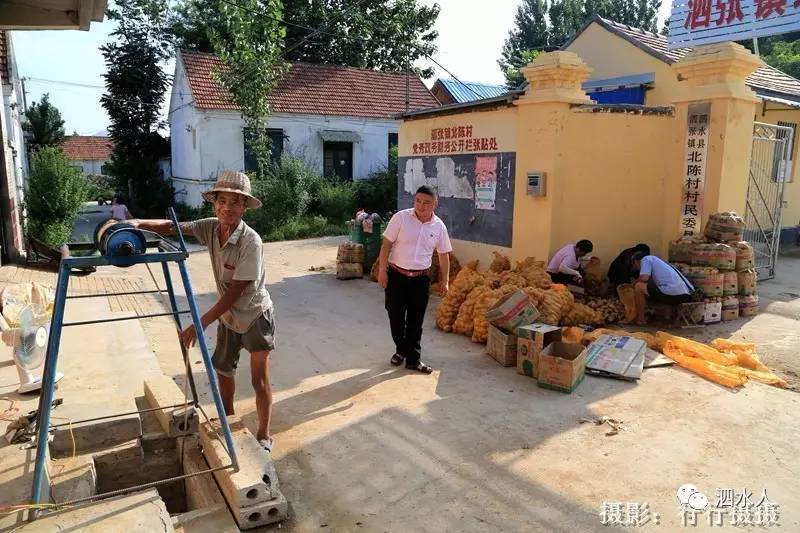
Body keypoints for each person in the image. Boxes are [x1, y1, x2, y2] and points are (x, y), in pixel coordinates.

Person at [128, 171, 276, 452]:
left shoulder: (251, 242)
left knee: (258, 380)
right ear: (214, 204)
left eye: (235, 202)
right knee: (224, 373)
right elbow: (174, 227)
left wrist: (199, 323)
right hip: (229, 318)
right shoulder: (210, 228)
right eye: (222, 201)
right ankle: (229, 424)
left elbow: (235, 292)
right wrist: (137, 223)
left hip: (255, 315)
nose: (228, 208)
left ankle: (264, 435)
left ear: (244, 207)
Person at [378, 185, 452, 374]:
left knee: (415, 321)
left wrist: (445, 280)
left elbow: (444, 255)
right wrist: (382, 270)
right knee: (395, 316)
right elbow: (386, 244)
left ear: (435, 203)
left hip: (420, 280)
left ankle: (413, 359)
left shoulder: (439, 226)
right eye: (418, 200)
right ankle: (401, 349)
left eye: (427, 202)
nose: (421, 205)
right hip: (396, 276)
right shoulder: (401, 218)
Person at [629, 252, 695, 325]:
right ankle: (663, 317)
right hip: (685, 295)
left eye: (635, 265)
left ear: (636, 261)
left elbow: (644, 278)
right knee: (648, 287)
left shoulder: (646, 259)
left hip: (672, 293)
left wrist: (633, 283)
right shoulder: (660, 262)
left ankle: (641, 319)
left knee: (638, 286)